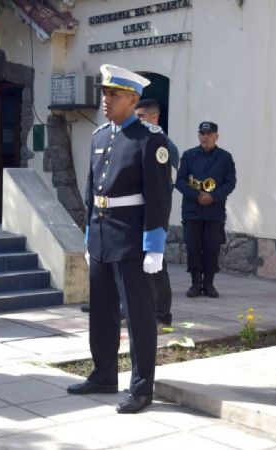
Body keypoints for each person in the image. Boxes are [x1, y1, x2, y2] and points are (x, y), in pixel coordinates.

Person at [67, 64, 172, 414]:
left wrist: (154, 246)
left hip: (131, 240)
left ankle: (142, 388)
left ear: (132, 98)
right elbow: (90, 190)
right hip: (100, 236)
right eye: (104, 93)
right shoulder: (99, 136)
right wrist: (87, 235)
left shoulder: (150, 139)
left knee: (139, 316)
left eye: (113, 94)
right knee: (102, 311)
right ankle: (104, 374)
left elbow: (159, 197)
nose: (106, 100)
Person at [175, 121, 236, 298]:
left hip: (214, 212)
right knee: (193, 249)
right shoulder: (188, 156)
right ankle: (195, 284)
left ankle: (208, 284)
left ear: (216, 136)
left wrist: (213, 196)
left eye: (209, 134)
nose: (205, 137)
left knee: (211, 249)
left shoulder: (225, 157)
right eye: (202, 133)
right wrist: (197, 195)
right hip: (192, 211)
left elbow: (230, 183)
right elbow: (180, 181)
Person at [136, 98, 179, 327]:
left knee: (157, 267)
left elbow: (163, 185)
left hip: (154, 214)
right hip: (135, 214)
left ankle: (163, 314)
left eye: (141, 116)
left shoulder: (164, 144)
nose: (137, 120)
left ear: (154, 117)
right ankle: (131, 309)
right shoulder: (138, 139)